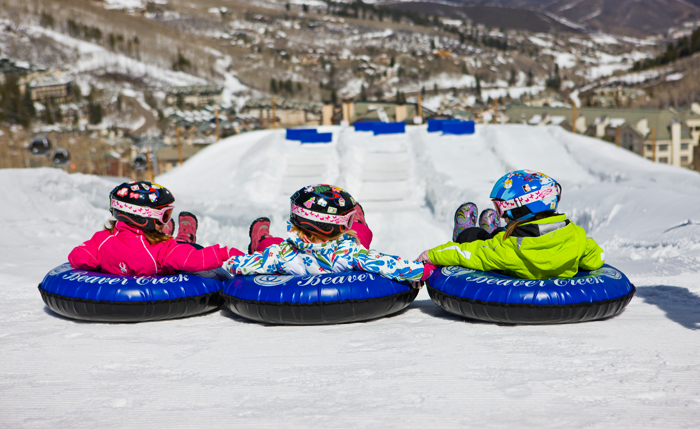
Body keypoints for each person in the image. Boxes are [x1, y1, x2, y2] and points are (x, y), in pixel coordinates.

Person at [224, 184, 435, 284]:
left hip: (283, 248)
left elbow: (238, 265)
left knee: (272, 245)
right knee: (360, 235)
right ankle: (361, 223)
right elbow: (388, 264)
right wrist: (425, 269)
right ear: (328, 226)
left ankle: (261, 240)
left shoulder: (280, 254)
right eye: (348, 220)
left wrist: (230, 256)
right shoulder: (348, 252)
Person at [417, 170, 605, 279]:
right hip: (535, 239)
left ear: (521, 208)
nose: (503, 215)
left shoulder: (508, 250)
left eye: (501, 209)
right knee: (500, 233)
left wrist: (430, 255)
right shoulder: (578, 237)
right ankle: (492, 230)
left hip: (500, 251)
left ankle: (464, 232)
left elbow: (468, 254)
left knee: (476, 239)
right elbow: (596, 258)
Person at [68, 181, 244, 276]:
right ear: (141, 218)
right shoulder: (161, 250)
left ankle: (164, 234)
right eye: (164, 216)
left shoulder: (101, 241)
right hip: (174, 255)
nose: (166, 221)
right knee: (183, 246)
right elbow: (193, 259)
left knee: (169, 240)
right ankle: (185, 237)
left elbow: (76, 257)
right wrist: (226, 253)